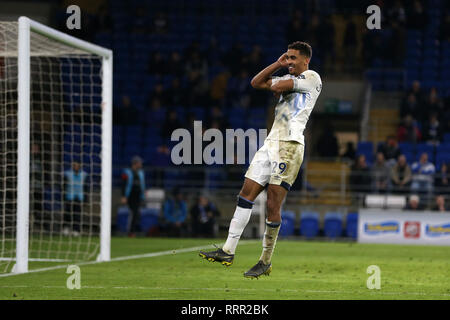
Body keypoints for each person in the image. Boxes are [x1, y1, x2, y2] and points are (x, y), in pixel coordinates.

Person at [199, 41, 322, 278]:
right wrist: (277, 63)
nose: (289, 62)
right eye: (287, 57)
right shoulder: (288, 76)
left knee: (273, 204)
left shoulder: (312, 77)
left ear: (305, 60)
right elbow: (255, 83)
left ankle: (265, 261)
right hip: (270, 144)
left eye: (293, 58)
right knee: (246, 193)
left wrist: (277, 80)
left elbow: (273, 86)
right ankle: (227, 251)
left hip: (290, 145)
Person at [121, 156, 146, 237]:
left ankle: (132, 231)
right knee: (133, 213)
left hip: (138, 196)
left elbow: (142, 184)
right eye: (140, 163)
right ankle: (130, 231)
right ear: (135, 163)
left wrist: (143, 192)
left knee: (136, 213)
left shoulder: (140, 173)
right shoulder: (127, 172)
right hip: (130, 195)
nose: (141, 164)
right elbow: (124, 184)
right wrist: (124, 196)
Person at [63, 161, 88, 236]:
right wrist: (63, 197)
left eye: (77, 165)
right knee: (68, 213)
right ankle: (66, 228)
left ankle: (76, 230)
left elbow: (86, 187)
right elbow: (64, 186)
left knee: (77, 214)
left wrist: (86, 199)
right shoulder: (67, 174)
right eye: (74, 165)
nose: (76, 167)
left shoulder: (84, 174)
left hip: (79, 197)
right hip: (69, 196)